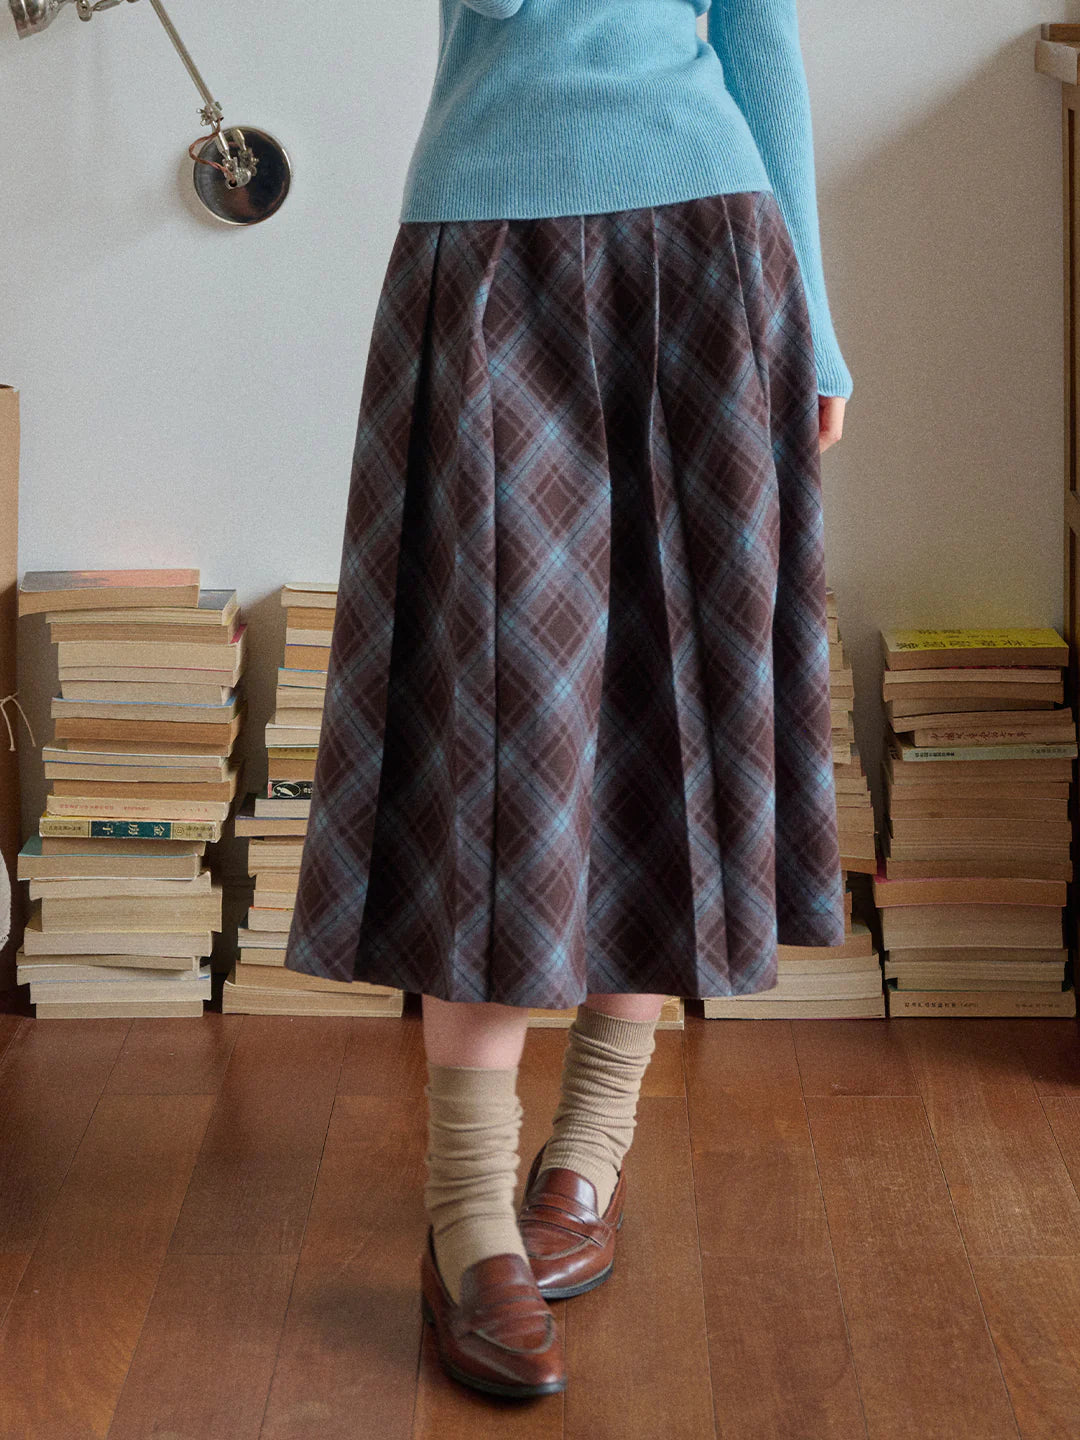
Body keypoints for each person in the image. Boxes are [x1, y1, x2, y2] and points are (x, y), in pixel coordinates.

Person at [283, 0, 852, 1400]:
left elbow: (762, 42)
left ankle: (588, 1152)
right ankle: (467, 1211)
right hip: (492, 250)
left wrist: (820, 331)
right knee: (504, 726)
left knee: (677, 702)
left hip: (714, 244)